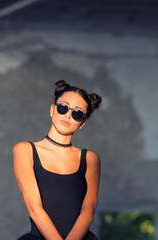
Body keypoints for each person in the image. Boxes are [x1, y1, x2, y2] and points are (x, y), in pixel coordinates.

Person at [13, 80, 102, 240]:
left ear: (82, 123)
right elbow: (34, 207)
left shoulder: (90, 159)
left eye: (77, 113)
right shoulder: (25, 150)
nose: (68, 115)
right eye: (63, 107)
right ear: (52, 109)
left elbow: (88, 210)